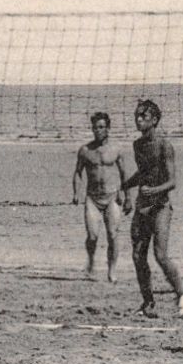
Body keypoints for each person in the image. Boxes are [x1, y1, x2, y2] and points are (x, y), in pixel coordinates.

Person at [121, 100, 183, 318]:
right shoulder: (137, 145)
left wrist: (155, 190)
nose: (139, 119)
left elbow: (172, 182)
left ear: (154, 120)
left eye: (143, 116)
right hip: (143, 206)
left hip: (161, 206)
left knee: (160, 254)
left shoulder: (164, 145)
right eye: (136, 116)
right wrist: (124, 187)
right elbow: (143, 173)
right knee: (137, 256)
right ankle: (148, 302)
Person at [71, 112, 129, 281]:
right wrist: (76, 192)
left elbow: (124, 174)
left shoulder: (116, 149)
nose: (98, 130)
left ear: (108, 128)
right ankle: (90, 260)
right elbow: (78, 172)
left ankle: (112, 270)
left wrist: (128, 197)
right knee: (92, 236)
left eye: (102, 127)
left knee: (112, 234)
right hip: (92, 199)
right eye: (95, 127)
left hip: (112, 197)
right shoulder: (85, 150)